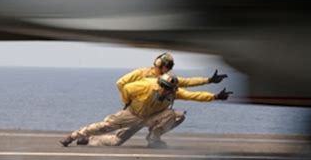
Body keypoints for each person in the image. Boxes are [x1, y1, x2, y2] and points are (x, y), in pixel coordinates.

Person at [75, 52, 228, 145]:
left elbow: (187, 86)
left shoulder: (168, 81)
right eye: (167, 66)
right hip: (135, 112)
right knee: (116, 141)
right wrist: (129, 101)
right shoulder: (142, 74)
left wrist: (209, 82)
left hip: (153, 114)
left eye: (170, 67)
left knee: (178, 116)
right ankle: (89, 139)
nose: (169, 69)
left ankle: (154, 137)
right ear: (160, 65)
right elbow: (122, 84)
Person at [60, 73, 232, 148]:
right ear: (159, 84)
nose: (164, 90)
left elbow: (193, 94)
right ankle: (78, 137)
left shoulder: (174, 93)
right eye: (163, 86)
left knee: (177, 115)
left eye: (168, 88)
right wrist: (126, 103)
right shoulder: (146, 86)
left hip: (151, 118)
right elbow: (125, 87)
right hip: (131, 116)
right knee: (110, 135)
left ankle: (154, 139)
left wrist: (214, 96)